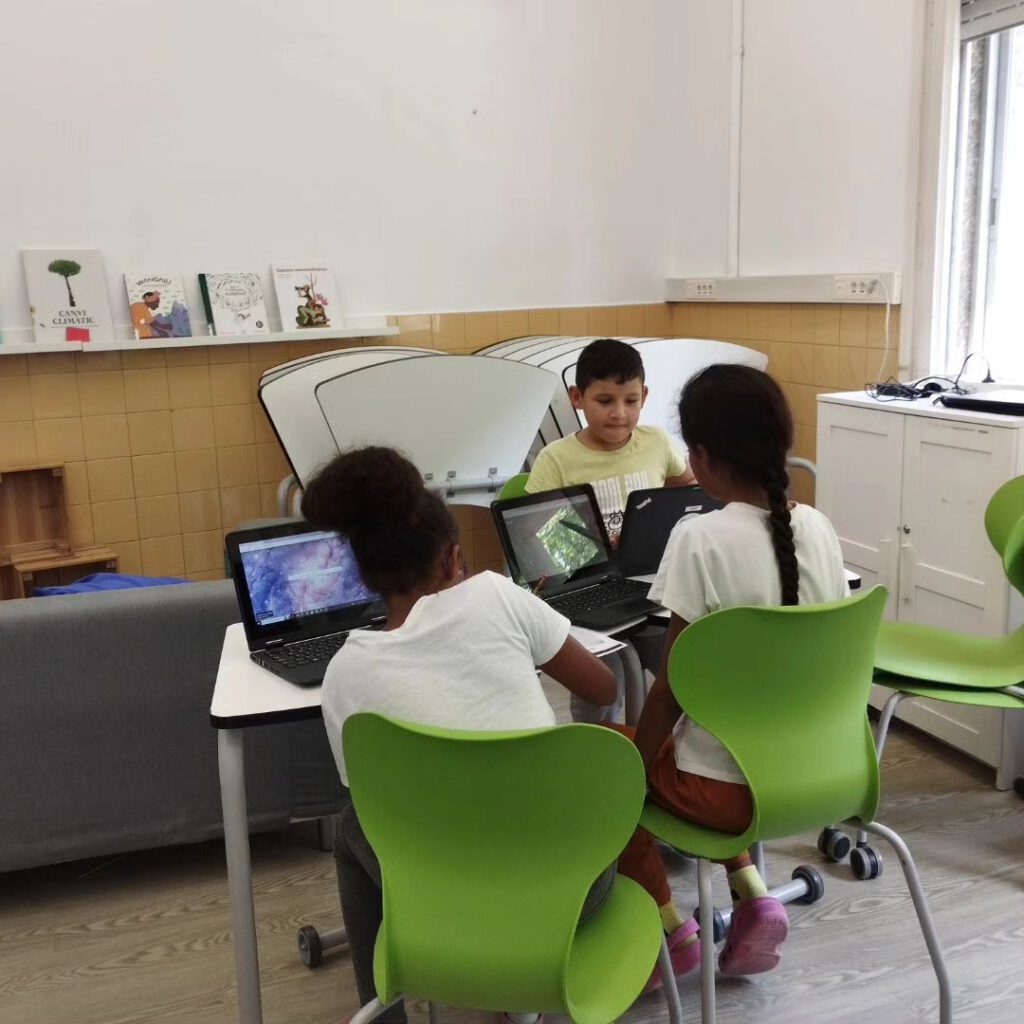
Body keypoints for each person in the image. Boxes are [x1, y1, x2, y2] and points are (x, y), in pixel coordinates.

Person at [301, 446, 617, 1024]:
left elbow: (373, 804)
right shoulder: (499, 595)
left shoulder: (344, 672)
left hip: (444, 910)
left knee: (351, 826)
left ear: (366, 577)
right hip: (574, 889)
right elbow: (602, 686)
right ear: (453, 559)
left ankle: (387, 1006)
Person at [622, 364, 849, 988]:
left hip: (730, 794)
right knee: (705, 748)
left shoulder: (700, 538)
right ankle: (753, 894)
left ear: (700, 457)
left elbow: (670, 687)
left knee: (605, 757)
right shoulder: (819, 527)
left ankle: (672, 932)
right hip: (822, 776)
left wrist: (632, 765)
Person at [525, 338, 695, 545]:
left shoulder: (657, 442)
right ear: (577, 397)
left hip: (652, 560)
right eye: (605, 401)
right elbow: (529, 529)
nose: (619, 413)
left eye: (631, 401)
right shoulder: (554, 459)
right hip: (594, 564)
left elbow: (689, 484)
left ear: (643, 396)